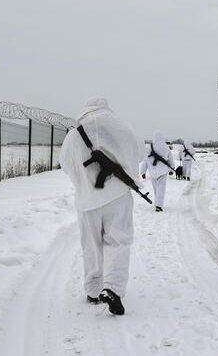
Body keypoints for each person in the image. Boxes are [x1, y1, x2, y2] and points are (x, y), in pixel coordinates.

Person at [59, 97, 144, 315]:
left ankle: (93, 290)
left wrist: (84, 181)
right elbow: (140, 151)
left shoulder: (76, 131)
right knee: (118, 242)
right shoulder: (122, 126)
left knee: (91, 245)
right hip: (118, 195)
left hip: (88, 199)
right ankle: (113, 289)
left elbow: (66, 163)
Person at [140, 130, 175, 212]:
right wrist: (171, 169)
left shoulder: (150, 147)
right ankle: (159, 205)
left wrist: (143, 172)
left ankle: (157, 202)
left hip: (152, 171)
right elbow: (170, 159)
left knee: (156, 188)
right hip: (163, 171)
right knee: (161, 189)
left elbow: (145, 160)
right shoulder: (165, 147)